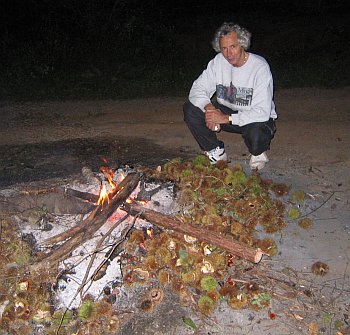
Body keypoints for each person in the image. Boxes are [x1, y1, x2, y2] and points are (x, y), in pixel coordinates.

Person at [183, 22, 277, 170]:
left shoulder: (259, 67)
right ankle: (215, 151)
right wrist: (209, 109)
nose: (228, 54)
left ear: (242, 44)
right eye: (224, 49)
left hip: (254, 119)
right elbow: (198, 88)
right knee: (191, 109)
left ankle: (258, 152)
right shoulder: (218, 62)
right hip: (226, 111)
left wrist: (224, 118)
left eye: (233, 47)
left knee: (256, 133)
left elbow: (262, 112)